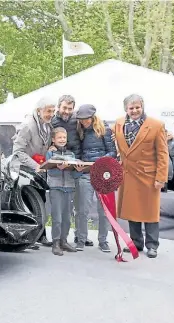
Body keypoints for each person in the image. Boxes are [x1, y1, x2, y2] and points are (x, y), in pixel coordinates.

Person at [113, 94, 168, 258]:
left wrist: (161, 178)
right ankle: (136, 243)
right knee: (132, 211)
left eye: (138, 107)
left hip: (149, 176)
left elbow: (163, 154)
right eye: (131, 108)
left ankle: (152, 245)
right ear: (126, 109)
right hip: (128, 175)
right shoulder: (118, 123)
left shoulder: (156, 125)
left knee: (150, 212)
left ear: (142, 107)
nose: (135, 110)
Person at [12, 96, 56, 247]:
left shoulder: (48, 126)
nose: (51, 114)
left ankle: (40, 236)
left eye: (53, 111)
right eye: (48, 111)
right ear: (39, 111)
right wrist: (34, 165)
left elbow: (46, 144)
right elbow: (17, 151)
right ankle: (27, 239)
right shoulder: (28, 125)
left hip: (39, 172)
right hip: (25, 171)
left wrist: (51, 148)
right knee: (28, 205)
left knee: (41, 203)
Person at [50, 94, 94, 247]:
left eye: (70, 108)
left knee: (77, 206)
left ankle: (78, 235)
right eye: (64, 108)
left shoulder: (77, 120)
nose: (67, 111)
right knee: (59, 210)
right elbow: (49, 138)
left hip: (76, 163)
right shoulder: (52, 121)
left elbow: (90, 130)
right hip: (59, 166)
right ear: (58, 107)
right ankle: (57, 239)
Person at [75, 104, 117, 252]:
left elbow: (112, 152)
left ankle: (103, 240)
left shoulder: (104, 129)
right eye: (81, 119)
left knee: (103, 210)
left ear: (92, 117)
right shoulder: (79, 130)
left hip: (102, 173)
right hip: (85, 174)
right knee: (82, 209)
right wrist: (78, 162)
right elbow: (77, 152)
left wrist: (100, 162)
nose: (83, 122)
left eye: (85, 119)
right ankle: (81, 239)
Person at [45, 127, 80, 255]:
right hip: (56, 188)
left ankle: (64, 241)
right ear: (53, 140)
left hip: (69, 188)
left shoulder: (72, 155)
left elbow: (75, 176)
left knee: (67, 217)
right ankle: (55, 243)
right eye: (59, 137)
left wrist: (78, 170)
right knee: (57, 217)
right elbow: (51, 172)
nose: (62, 140)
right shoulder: (50, 154)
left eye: (64, 137)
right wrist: (59, 168)